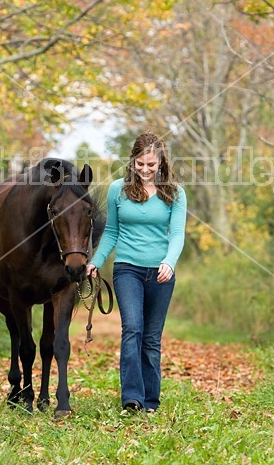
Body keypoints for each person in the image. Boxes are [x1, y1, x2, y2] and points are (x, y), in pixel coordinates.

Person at [87, 131, 187, 413]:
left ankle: (151, 402)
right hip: (127, 269)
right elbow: (111, 232)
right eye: (140, 164)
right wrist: (96, 260)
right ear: (132, 161)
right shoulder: (117, 190)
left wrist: (169, 261)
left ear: (161, 163)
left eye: (151, 165)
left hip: (161, 274)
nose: (145, 170)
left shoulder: (175, 193)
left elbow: (177, 233)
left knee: (151, 339)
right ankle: (132, 399)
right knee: (132, 329)